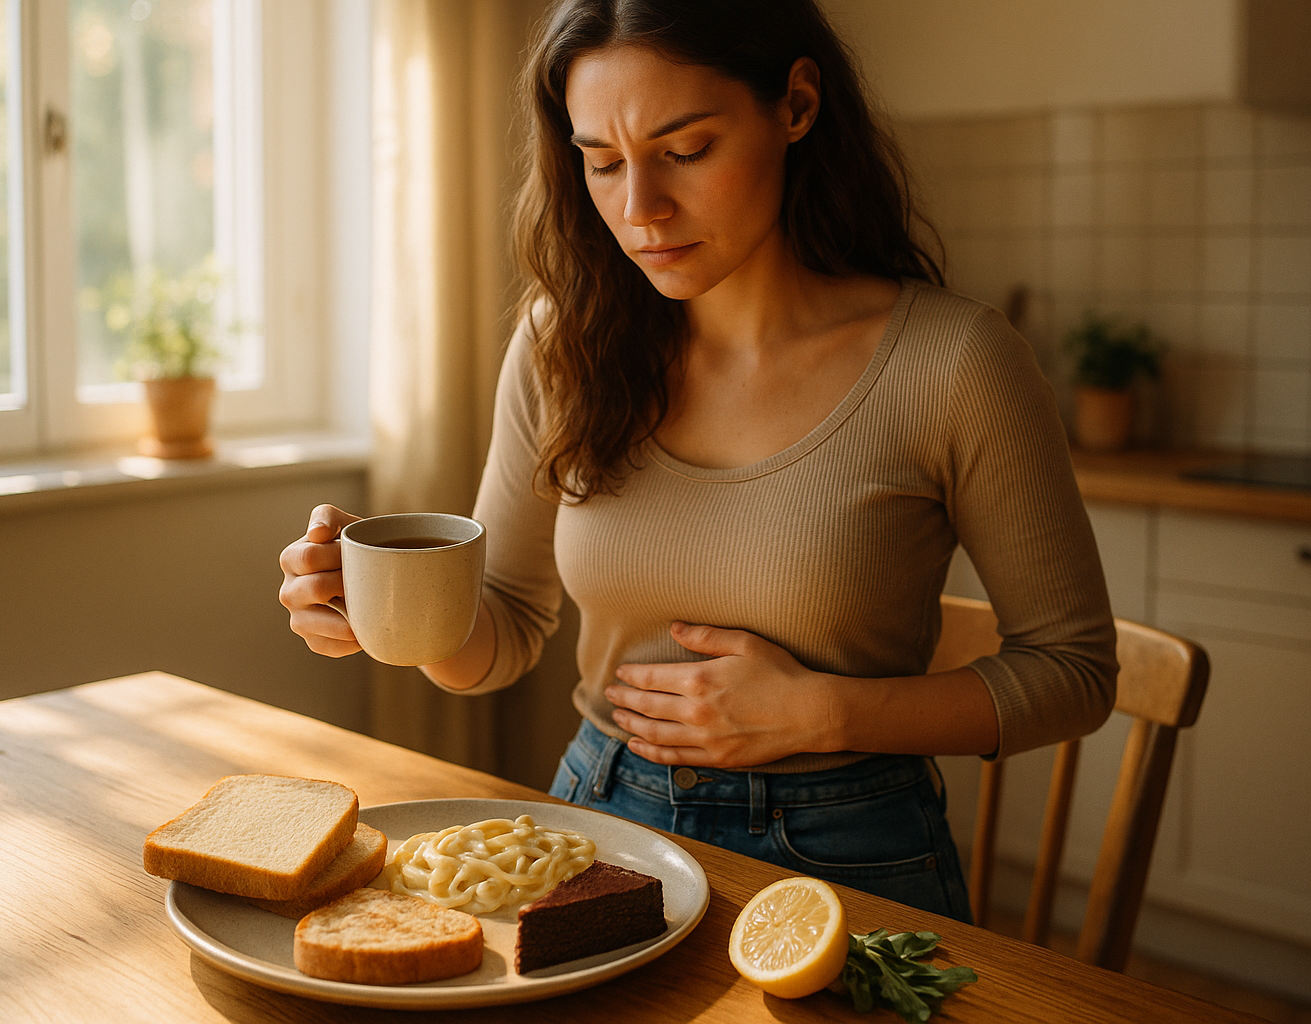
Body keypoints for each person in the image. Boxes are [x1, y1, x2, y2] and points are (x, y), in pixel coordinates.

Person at [278, 0, 1116, 922]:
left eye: (685, 151)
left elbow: (1072, 672)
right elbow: (505, 627)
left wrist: (825, 713)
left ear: (796, 104)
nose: (639, 210)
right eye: (600, 162)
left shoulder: (955, 363)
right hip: (595, 819)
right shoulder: (565, 344)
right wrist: (391, 600)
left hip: (848, 849)